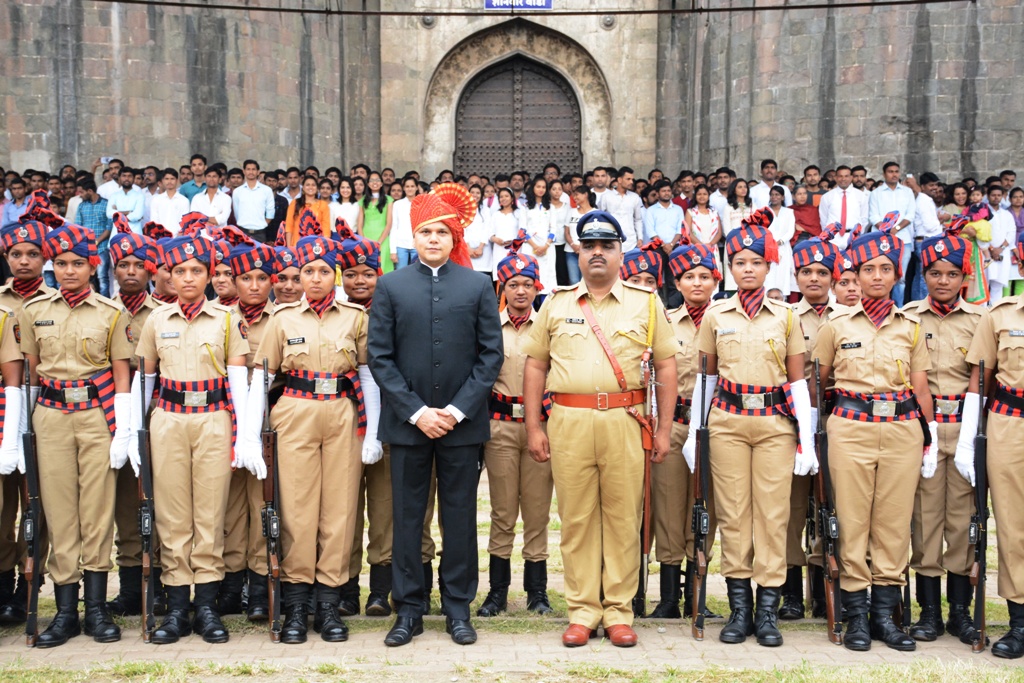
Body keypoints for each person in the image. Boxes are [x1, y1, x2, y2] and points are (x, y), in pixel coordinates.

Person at [522, 211, 677, 648]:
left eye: (606, 246)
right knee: (576, 519)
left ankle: (618, 612)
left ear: (620, 252)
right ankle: (583, 610)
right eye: (589, 245)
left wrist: (663, 430)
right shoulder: (555, 303)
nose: (597, 253)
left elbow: (666, 364)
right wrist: (535, 427)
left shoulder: (646, 303)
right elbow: (536, 364)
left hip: (625, 422)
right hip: (569, 420)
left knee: (623, 517)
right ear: (578, 251)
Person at [368, 183, 502, 647]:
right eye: (425, 231)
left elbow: (490, 357)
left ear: (454, 236)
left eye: (442, 231)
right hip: (409, 425)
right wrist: (418, 411)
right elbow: (379, 357)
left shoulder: (479, 284)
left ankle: (458, 607)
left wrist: (457, 410)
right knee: (408, 518)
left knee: (460, 516)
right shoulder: (390, 286)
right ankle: (408, 609)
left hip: (461, 427)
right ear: (413, 233)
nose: (432, 239)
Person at [682, 210, 814, 648]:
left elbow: (797, 380)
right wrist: (695, 434)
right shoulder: (717, 316)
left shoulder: (786, 316)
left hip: (776, 423)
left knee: (773, 515)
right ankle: (739, 609)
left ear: (768, 265)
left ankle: (768, 610)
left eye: (755, 262)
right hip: (728, 423)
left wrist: (807, 438)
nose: (748, 269)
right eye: (739, 262)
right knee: (735, 514)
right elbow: (707, 378)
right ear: (730, 267)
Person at [237, 233, 375, 644]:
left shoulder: (355, 317)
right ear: (297, 277)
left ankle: (328, 604)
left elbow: (367, 375)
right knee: (296, 508)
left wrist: (375, 431)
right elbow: (261, 377)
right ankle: (296, 603)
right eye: (307, 272)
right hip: (295, 409)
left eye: (323, 272)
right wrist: (248, 434)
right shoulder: (282, 318)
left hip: (342, 414)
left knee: (339, 509)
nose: (315, 279)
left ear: (335, 276)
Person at [813, 216, 937, 652]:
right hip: (850, 429)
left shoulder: (910, 327)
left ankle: (886, 616)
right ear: (857, 275)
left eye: (886, 268)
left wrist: (929, 438)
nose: (878, 277)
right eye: (869, 270)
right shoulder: (836, 325)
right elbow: (819, 383)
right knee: (852, 522)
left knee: (892, 524)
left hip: (902, 429)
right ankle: (857, 617)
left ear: (897, 273)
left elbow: (920, 387)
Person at [132, 229, 249, 645]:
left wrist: (246, 433)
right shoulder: (155, 320)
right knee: (172, 513)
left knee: (210, 514)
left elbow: (238, 380)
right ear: (167, 275)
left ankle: (207, 607)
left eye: (196, 270)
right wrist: (133, 431)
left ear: (209, 275)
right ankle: (178, 607)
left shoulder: (227, 319)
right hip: (168, 419)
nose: (186, 278)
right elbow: (144, 381)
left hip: (213, 418)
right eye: (178, 270)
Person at [19, 225, 134, 647]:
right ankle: (66, 612)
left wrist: (122, 427)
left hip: (95, 414)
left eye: (78, 264)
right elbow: (31, 372)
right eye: (62, 264)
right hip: (50, 414)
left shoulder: (110, 312)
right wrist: (21, 429)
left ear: (92, 266)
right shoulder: (32, 311)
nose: (69, 271)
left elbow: (121, 373)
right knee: (60, 510)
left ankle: (98, 610)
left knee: (98, 509)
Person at [901, 230, 984, 645]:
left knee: (963, 518)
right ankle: (929, 613)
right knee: (925, 518)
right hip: (925, 426)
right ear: (925, 276)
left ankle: (960, 613)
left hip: (966, 426)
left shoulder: (980, 320)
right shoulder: (909, 317)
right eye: (934, 273)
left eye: (951, 273)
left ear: (963, 277)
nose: (943, 281)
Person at [955, 243, 1024, 659]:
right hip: (1010, 423)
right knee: (1014, 526)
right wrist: (967, 441)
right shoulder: (1000, 315)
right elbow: (980, 381)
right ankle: (1019, 622)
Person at [646, 241, 722, 619]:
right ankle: (668, 597)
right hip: (673, 424)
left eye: (704, 276)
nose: (697, 283)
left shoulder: (726, 320)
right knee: (669, 506)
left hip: (715, 426)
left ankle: (699, 593)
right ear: (677, 281)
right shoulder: (665, 321)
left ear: (715, 280)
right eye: (689, 276)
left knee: (706, 509)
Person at [477, 248, 554, 618]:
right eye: (513, 284)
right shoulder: (489, 325)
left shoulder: (549, 325)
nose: (521, 291)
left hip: (541, 426)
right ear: (502, 287)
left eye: (527, 284)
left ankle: (537, 592)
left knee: (538, 512)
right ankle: (497, 592)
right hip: (501, 426)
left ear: (537, 286)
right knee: (503, 511)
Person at [104, 214, 165, 618]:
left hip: (158, 417)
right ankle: (129, 586)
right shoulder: (104, 311)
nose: (130, 271)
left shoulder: (161, 312)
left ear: (150, 270)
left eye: (138, 265)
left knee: (156, 503)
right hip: (109, 420)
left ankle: (157, 583)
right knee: (126, 505)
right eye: (123, 265)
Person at [781, 236, 844, 620]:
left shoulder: (847, 315)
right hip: (793, 420)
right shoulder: (784, 315)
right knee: (790, 506)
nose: (815, 279)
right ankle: (789, 592)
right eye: (807, 272)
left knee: (829, 503)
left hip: (837, 420)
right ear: (796, 275)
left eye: (823, 272)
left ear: (834, 276)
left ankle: (823, 592)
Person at [0, 219, 53, 623]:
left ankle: (28, 583)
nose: (24, 261)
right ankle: (3, 583)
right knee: (4, 505)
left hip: (44, 411)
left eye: (32, 254)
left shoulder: (56, 302)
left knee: (36, 503)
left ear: (44, 258)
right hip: (5, 410)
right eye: (16, 254)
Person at [818, 166, 868, 250]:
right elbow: (823, 219)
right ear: (836, 178)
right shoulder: (826, 197)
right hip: (833, 238)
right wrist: (828, 235)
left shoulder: (861, 196)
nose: (843, 179)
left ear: (851, 177)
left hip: (853, 237)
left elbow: (864, 218)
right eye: (840, 176)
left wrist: (858, 235)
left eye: (846, 176)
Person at [598, 166, 644, 250]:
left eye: (632, 179)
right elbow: (601, 218)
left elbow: (638, 219)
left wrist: (640, 238)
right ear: (619, 180)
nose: (631, 182)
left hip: (631, 242)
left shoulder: (635, 197)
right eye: (628, 179)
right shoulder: (606, 197)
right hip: (611, 240)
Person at [232, 160, 276, 243]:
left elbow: (270, 212)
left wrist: (262, 224)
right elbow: (237, 213)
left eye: (253, 169)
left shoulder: (266, 190)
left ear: (258, 172)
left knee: (260, 256)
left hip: (260, 232)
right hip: (242, 231)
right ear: (244, 171)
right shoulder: (237, 191)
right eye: (248, 169)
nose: (251, 172)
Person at [280, 176, 330, 248]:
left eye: (313, 185)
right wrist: (289, 247)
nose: (310, 187)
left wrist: (325, 246)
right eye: (307, 185)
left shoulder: (323, 204)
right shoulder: (295, 203)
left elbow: (326, 227)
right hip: (297, 244)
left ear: (317, 189)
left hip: (317, 245)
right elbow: (289, 226)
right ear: (303, 188)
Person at [362, 172, 394, 274]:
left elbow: (389, 223)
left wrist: (379, 242)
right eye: (371, 180)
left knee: (382, 267)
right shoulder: (363, 200)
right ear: (367, 183)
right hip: (366, 239)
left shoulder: (388, 200)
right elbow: (359, 224)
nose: (374, 183)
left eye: (377, 180)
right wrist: (363, 241)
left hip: (382, 240)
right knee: (367, 268)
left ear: (381, 183)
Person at [765, 186, 795, 298]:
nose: (774, 197)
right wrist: (770, 243)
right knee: (769, 274)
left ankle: (783, 300)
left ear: (782, 197)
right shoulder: (764, 211)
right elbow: (761, 229)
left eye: (777, 195)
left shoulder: (789, 212)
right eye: (772, 194)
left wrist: (780, 242)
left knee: (783, 274)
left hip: (784, 247)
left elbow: (790, 231)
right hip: (768, 247)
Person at [564, 185, 594, 284]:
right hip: (571, 251)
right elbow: (566, 232)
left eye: (577, 195)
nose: (574, 197)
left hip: (588, 252)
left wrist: (582, 247)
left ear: (585, 195)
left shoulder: (595, 213)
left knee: (586, 281)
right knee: (573, 281)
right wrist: (573, 245)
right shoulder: (571, 212)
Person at [390, 176, 419, 268]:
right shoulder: (397, 204)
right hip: (401, 245)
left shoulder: (421, 203)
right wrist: (393, 251)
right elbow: (394, 227)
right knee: (400, 273)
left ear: (417, 187)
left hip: (418, 244)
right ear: (404, 188)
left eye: (412, 186)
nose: (410, 189)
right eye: (407, 186)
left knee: (418, 273)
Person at [148, 169, 190, 234]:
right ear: (162, 181)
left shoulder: (184, 200)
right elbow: (154, 220)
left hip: (178, 238)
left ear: (177, 180)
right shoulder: (156, 200)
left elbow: (185, 222)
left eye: (172, 179)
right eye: (166, 179)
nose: (169, 181)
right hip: (160, 237)